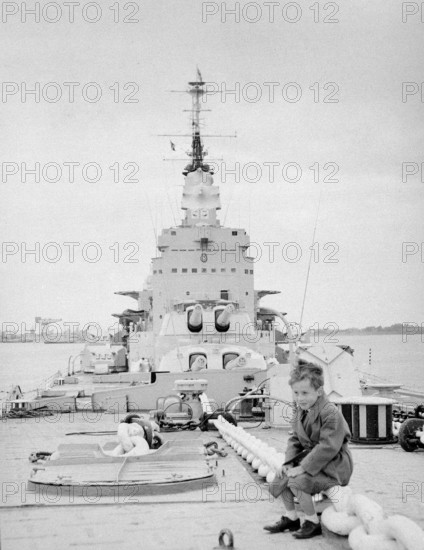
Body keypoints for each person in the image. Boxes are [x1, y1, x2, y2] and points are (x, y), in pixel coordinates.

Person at [264, 361, 353, 539]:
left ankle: (312, 522)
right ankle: (291, 518)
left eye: (305, 393)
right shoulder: (301, 409)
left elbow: (328, 447)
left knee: (298, 482)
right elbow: (295, 439)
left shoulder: (330, 413)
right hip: (311, 459)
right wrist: (289, 463)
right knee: (282, 477)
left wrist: (302, 468)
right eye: (296, 393)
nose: (299, 398)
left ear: (319, 392)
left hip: (333, 465)